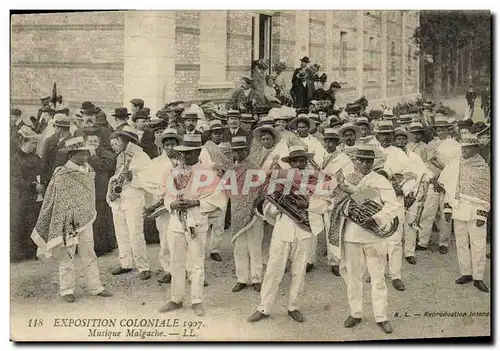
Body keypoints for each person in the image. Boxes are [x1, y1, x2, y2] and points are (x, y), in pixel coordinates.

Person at [31, 136, 113, 303]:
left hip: (86, 219)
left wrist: (85, 211)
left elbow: (88, 195)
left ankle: (96, 287)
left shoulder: (88, 170)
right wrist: (69, 215)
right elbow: (57, 199)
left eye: (86, 153)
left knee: (89, 253)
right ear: (72, 155)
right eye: (82, 154)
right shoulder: (62, 173)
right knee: (67, 256)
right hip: (68, 222)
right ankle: (66, 289)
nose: (86, 157)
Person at [247, 145, 320, 323]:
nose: (299, 164)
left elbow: (324, 203)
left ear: (306, 162)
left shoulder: (315, 181)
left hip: (304, 230)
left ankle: (293, 307)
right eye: (295, 161)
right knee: (273, 269)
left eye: (302, 161)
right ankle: (264, 307)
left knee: (299, 271)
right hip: (283, 229)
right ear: (290, 163)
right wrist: (280, 206)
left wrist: (307, 205)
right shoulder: (280, 180)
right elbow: (268, 208)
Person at [158, 134, 226, 317]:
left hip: (196, 221)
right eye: (183, 153)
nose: (185, 157)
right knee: (176, 262)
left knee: (196, 263)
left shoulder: (208, 173)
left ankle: (197, 300)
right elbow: (166, 194)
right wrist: (171, 204)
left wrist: (195, 203)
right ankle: (176, 299)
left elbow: (219, 199)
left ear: (198, 152)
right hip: (176, 223)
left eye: (190, 153)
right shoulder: (174, 171)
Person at [338, 144, 400, 334]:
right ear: (355, 161)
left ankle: (381, 316)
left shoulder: (380, 180)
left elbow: (393, 205)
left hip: (373, 234)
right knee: (353, 277)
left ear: (373, 162)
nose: (364, 163)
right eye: (361, 160)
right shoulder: (346, 180)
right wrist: (348, 192)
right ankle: (355, 312)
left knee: (378, 276)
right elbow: (338, 203)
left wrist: (376, 218)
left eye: (368, 160)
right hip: (352, 234)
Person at [438, 132, 490, 293]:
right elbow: (448, 185)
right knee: (461, 242)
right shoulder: (455, 164)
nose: (464, 151)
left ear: (476, 148)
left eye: (468, 148)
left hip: (476, 209)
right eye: (463, 148)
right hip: (458, 208)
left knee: (478, 244)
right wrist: (447, 208)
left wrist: (483, 212)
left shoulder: (482, 167)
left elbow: (486, 190)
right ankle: (466, 273)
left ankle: (478, 277)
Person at [375, 120, 418, 292]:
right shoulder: (371, 151)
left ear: (392, 136)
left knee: (394, 239)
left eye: (388, 134)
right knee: (376, 238)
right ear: (377, 135)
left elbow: (411, 175)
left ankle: (395, 275)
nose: (385, 137)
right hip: (376, 201)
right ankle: (376, 273)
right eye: (382, 134)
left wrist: (401, 190)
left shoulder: (399, 154)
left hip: (395, 200)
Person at [107, 125, 152, 281]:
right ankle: (125, 263)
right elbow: (115, 176)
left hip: (134, 197)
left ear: (126, 140)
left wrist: (133, 178)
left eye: (117, 142)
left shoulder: (142, 156)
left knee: (135, 233)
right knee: (121, 233)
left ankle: (143, 267)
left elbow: (149, 179)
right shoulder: (120, 156)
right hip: (119, 199)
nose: (114, 146)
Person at [139, 128, 183, 284]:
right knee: (165, 237)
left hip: (181, 203)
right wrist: (161, 191)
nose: (171, 148)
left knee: (183, 236)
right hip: (163, 204)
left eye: (173, 144)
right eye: (168, 145)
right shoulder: (156, 163)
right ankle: (168, 269)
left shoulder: (184, 161)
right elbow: (146, 182)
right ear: (163, 146)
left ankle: (184, 269)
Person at [417, 115, 460, 253]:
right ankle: (423, 241)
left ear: (448, 130)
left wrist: (443, 181)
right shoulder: (431, 145)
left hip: (447, 183)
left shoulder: (454, 145)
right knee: (428, 212)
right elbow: (426, 165)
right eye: (438, 129)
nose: (440, 132)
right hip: (432, 182)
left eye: (443, 129)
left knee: (445, 212)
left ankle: (444, 243)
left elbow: (454, 166)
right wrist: (432, 179)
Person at [229, 136, 266, 293]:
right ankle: (242, 278)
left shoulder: (255, 168)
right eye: (236, 151)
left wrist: (254, 206)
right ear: (233, 152)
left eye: (242, 150)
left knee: (255, 246)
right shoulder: (231, 169)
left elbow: (262, 191)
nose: (239, 153)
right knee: (240, 247)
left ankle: (257, 278)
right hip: (237, 211)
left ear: (247, 150)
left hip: (253, 212)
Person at [319, 128, 355, 275]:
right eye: (326, 141)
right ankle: (333, 261)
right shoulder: (322, 157)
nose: (329, 144)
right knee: (330, 230)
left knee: (342, 230)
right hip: (326, 197)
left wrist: (338, 184)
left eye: (331, 141)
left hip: (341, 197)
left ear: (336, 143)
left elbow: (349, 179)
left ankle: (343, 261)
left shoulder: (344, 159)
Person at [11, 126, 44, 262]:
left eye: (36, 143)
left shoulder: (35, 158)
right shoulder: (15, 159)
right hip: (20, 197)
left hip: (34, 196)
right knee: (19, 222)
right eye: (32, 143)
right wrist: (31, 186)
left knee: (32, 222)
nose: (35, 145)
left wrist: (40, 186)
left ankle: (30, 251)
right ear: (25, 142)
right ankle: (18, 253)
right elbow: (15, 179)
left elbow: (40, 173)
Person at [83, 127, 117, 256]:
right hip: (87, 190)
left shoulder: (105, 153)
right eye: (90, 141)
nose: (92, 143)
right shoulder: (81, 152)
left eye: (95, 140)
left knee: (101, 219)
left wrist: (93, 155)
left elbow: (106, 166)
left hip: (100, 191)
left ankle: (102, 247)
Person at [40, 114, 73, 186]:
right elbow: (44, 161)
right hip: (49, 179)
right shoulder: (49, 140)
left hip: (65, 182)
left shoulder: (73, 142)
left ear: (60, 129)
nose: (54, 129)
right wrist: (42, 182)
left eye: (55, 127)